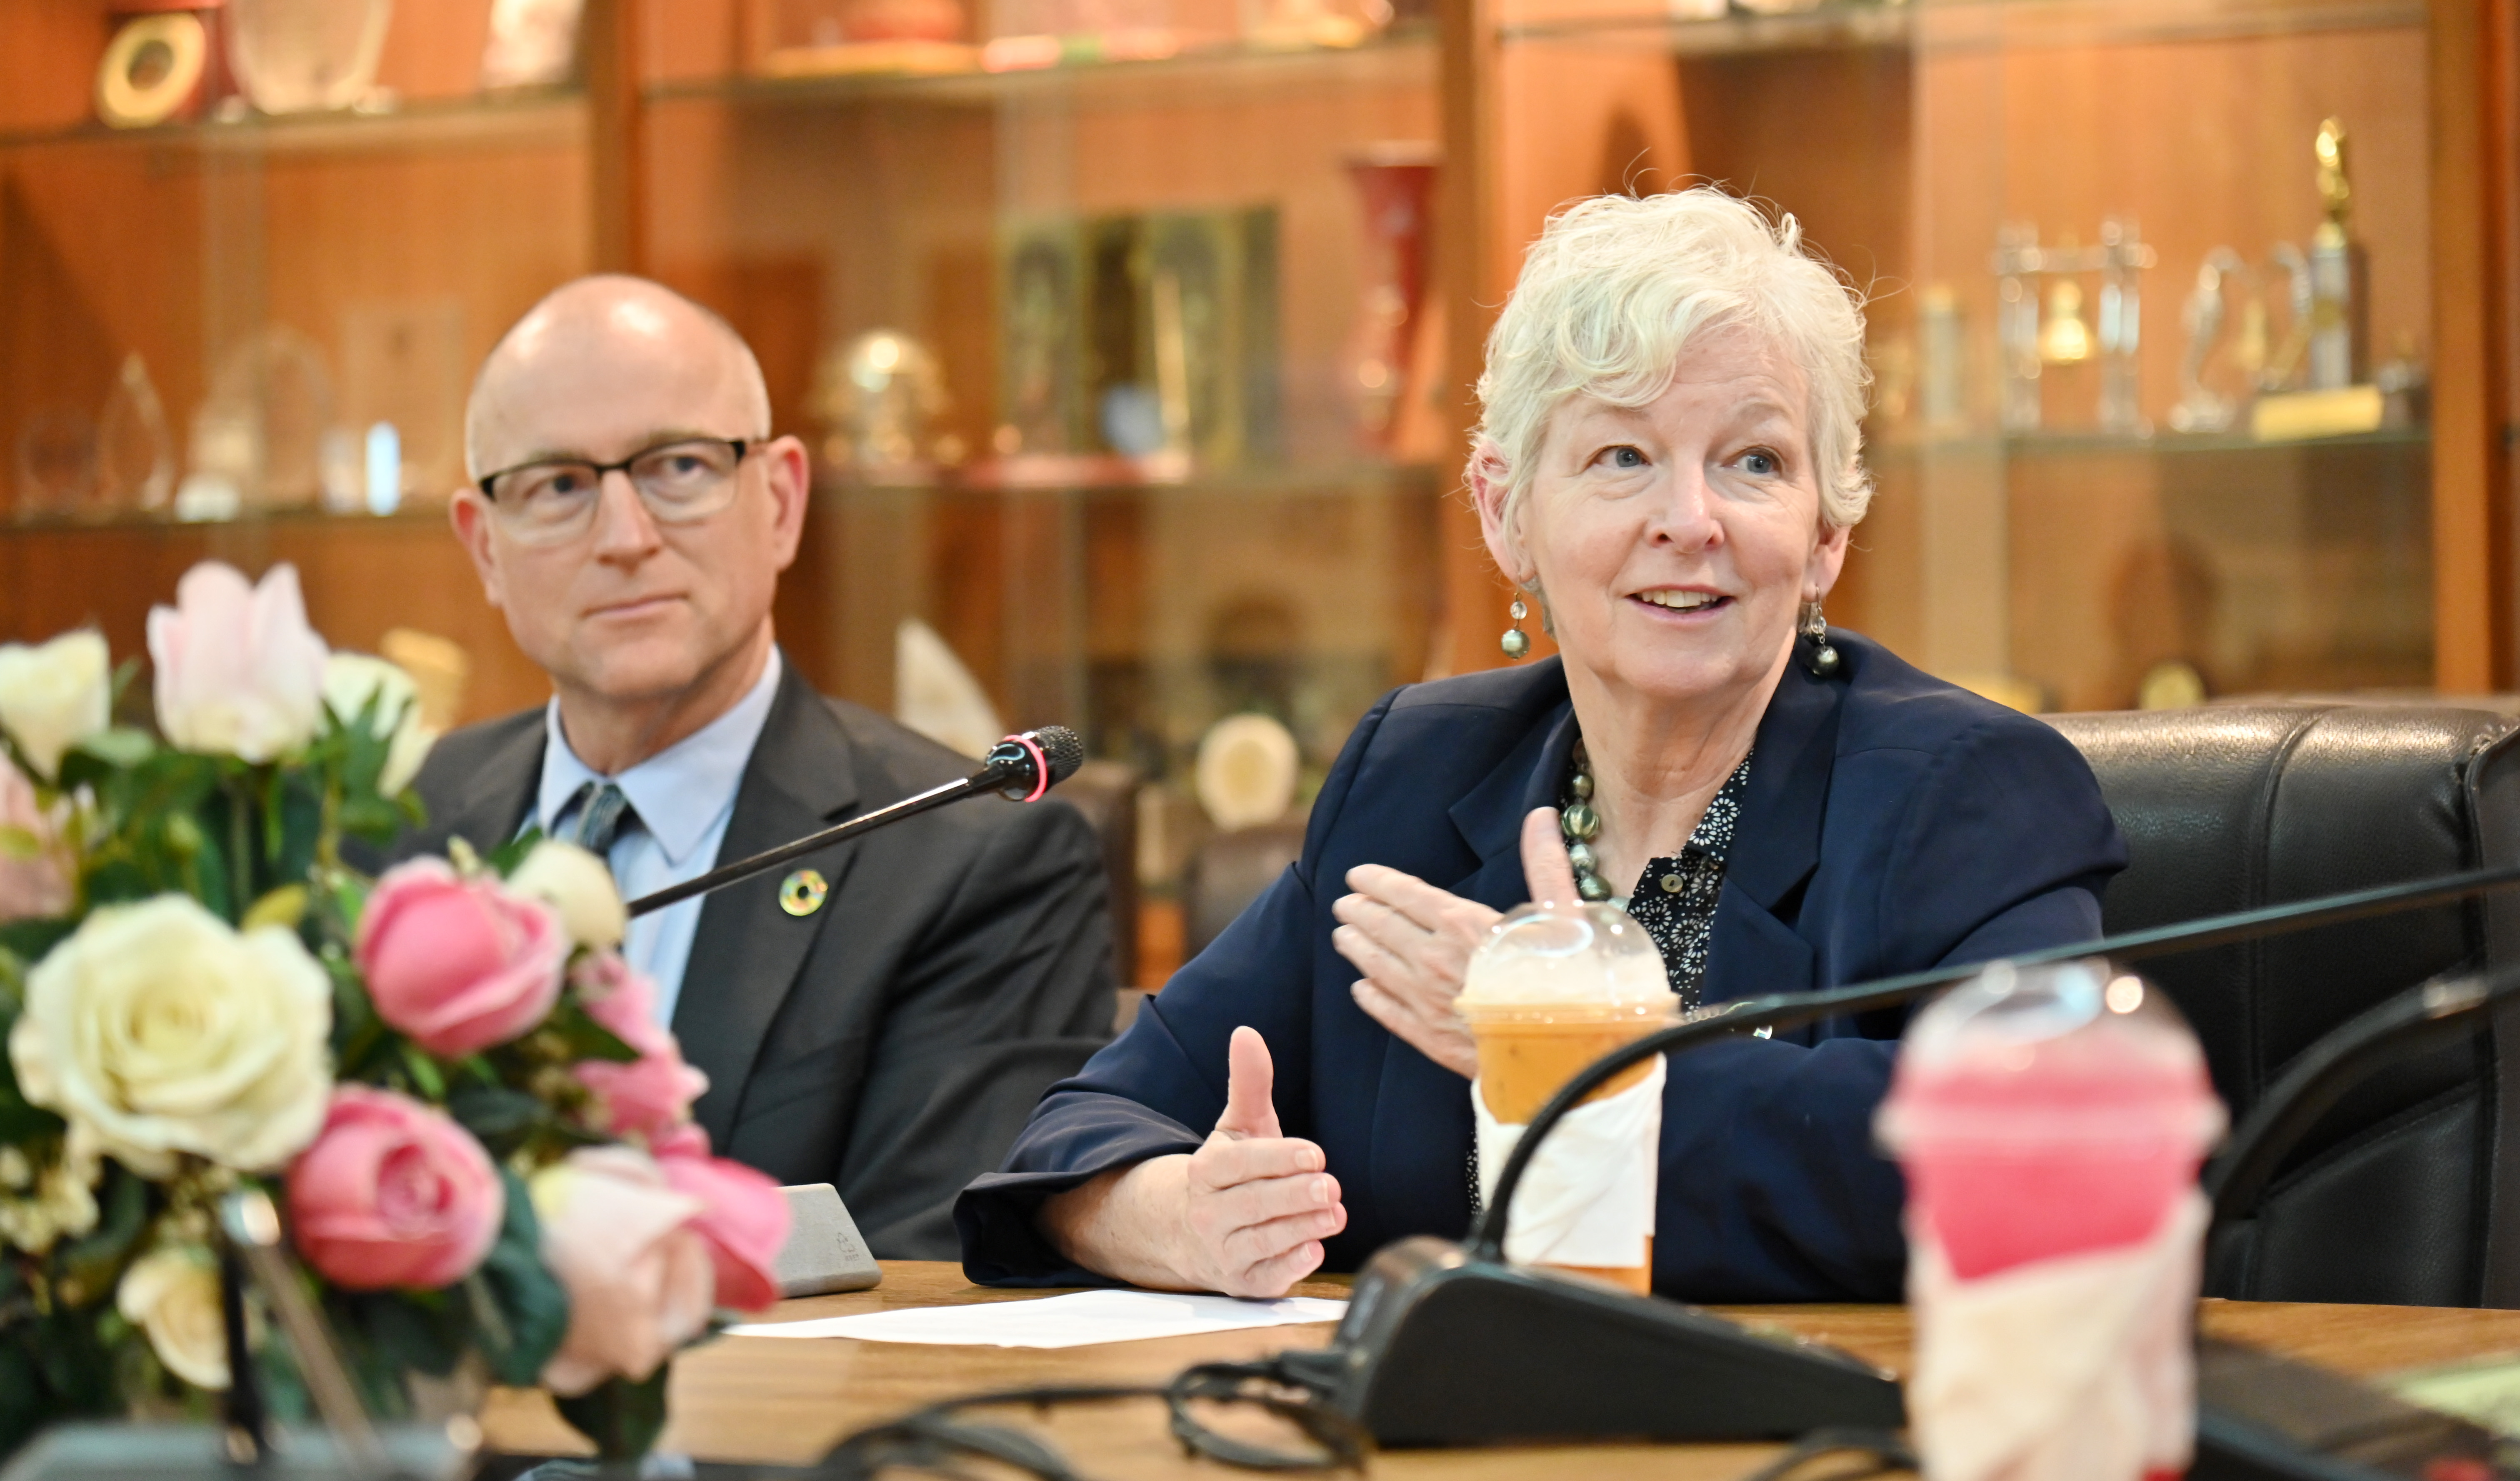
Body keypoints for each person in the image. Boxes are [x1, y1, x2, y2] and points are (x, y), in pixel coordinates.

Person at [955, 189, 2128, 1302]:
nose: (1690, 520)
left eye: (1755, 461)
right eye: (1622, 458)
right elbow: (1078, 1136)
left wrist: (1572, 1056)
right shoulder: (1416, 776)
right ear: (1505, 511)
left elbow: (2047, 1163)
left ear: (1826, 534)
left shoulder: (1964, 793)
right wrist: (1176, 1216)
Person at [396, 275, 1116, 1259]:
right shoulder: (389, 825)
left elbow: (927, 1271)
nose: (626, 537)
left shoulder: (969, 860)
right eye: (559, 486)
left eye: (679, 467)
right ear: (483, 545)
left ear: (780, 501)